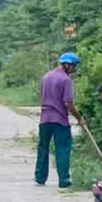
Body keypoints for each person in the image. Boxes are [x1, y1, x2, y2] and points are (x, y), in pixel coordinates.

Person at [35, 53, 84, 188]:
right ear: (68, 65)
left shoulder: (46, 77)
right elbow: (68, 103)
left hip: (44, 119)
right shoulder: (65, 80)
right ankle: (63, 180)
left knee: (43, 148)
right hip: (60, 120)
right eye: (74, 67)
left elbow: (41, 97)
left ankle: (40, 177)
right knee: (62, 149)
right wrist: (79, 117)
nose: (74, 70)